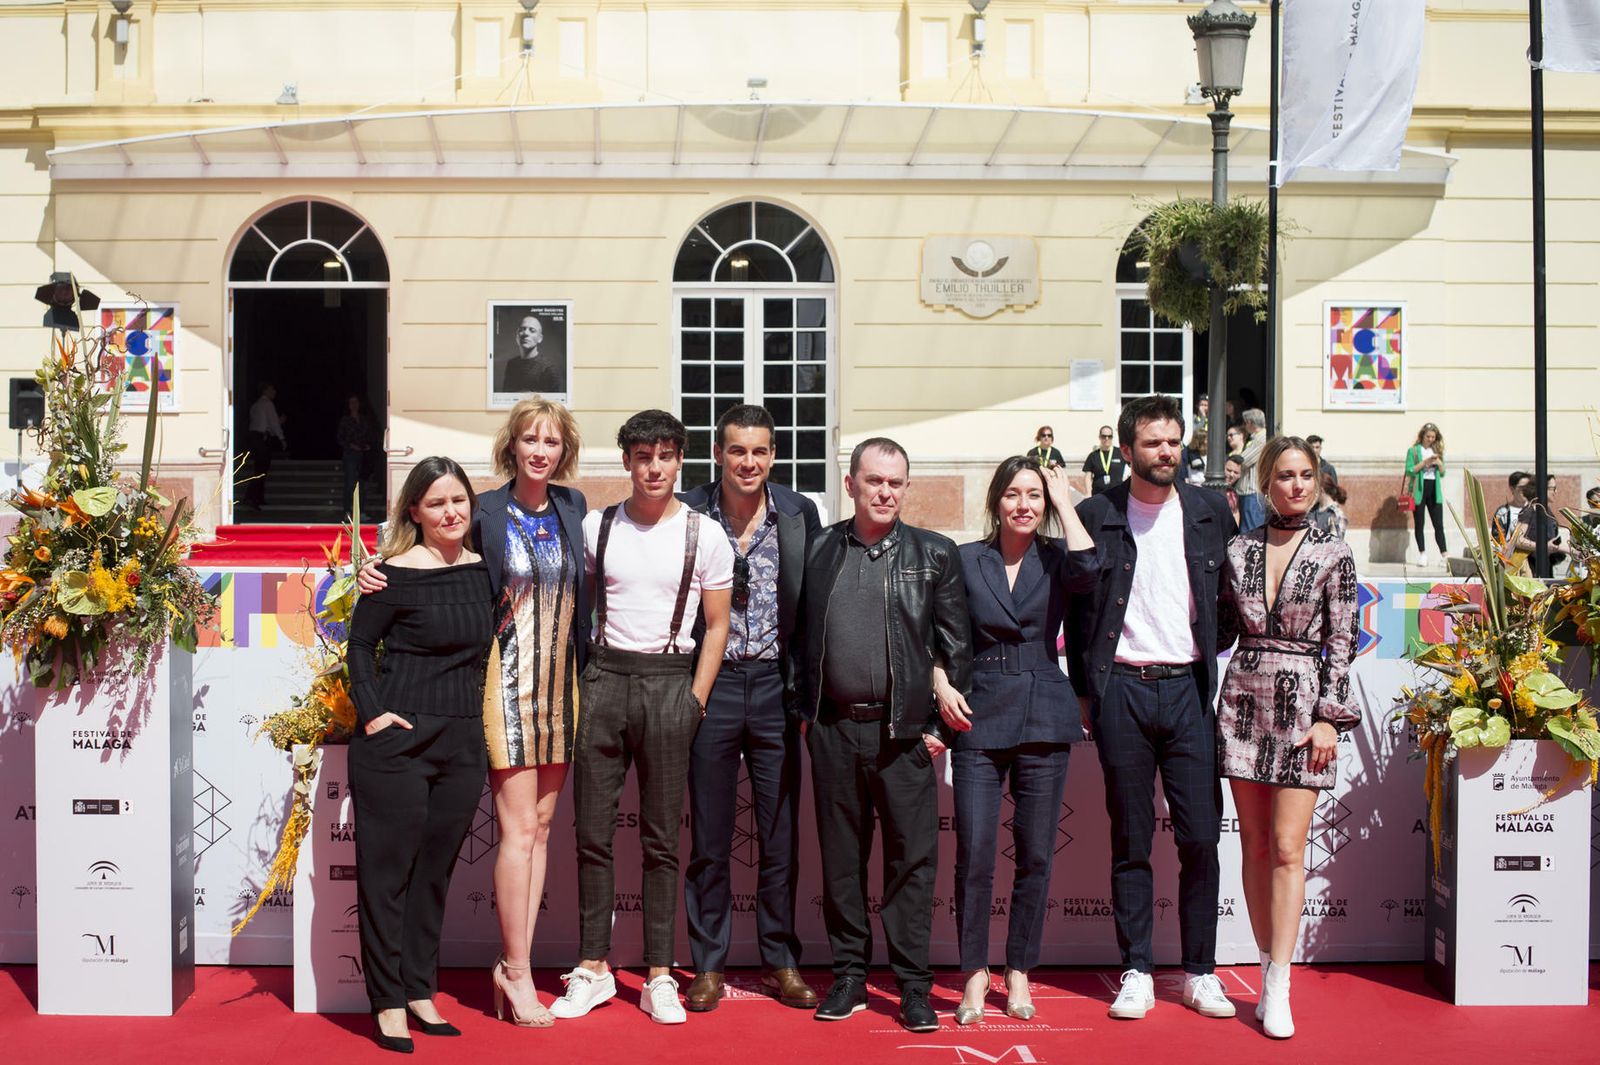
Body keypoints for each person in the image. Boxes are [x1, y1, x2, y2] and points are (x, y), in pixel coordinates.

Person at [357, 398, 592, 1029]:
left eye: (550, 440)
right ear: (510, 446)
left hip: (558, 687)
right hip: (502, 686)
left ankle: (503, 969)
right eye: (528, 439)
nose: (539, 450)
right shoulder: (483, 509)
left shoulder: (574, 506)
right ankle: (516, 973)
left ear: (563, 448)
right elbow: (425, 548)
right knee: (517, 833)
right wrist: (367, 572)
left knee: (540, 832)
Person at [1064, 394, 1237, 1023]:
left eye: (1174, 441)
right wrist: (1086, 690)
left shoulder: (1212, 510)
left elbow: (1234, 592)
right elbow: (1080, 609)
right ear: (1128, 448)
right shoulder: (1097, 512)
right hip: (1123, 693)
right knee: (1131, 838)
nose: (1167, 452)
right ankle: (1136, 969)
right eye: (1154, 443)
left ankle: (1200, 973)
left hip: (1190, 689)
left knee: (1199, 838)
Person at [557, 409, 733, 1026]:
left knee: (662, 842)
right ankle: (593, 968)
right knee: (591, 836)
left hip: (669, 684)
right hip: (603, 679)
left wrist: (695, 700)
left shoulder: (705, 534)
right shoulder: (594, 526)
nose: (653, 468)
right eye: (642, 456)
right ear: (626, 461)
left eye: (664, 455)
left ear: (681, 458)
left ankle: (660, 973)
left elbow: (717, 626)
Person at [799, 438, 971, 1033]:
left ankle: (914, 987)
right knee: (842, 863)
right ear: (850, 484)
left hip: (905, 737)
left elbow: (956, 649)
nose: (885, 492)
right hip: (834, 732)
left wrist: (936, 732)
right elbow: (800, 642)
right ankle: (848, 975)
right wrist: (808, 714)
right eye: (874, 481)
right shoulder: (819, 549)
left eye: (896, 483)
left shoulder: (935, 554)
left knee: (911, 865)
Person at [346, 457, 493, 1053]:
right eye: (435, 503)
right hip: (397, 745)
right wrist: (374, 712)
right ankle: (385, 1001)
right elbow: (359, 645)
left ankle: (418, 989)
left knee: (434, 875)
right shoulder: (390, 575)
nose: (450, 512)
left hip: (462, 744)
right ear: (414, 511)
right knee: (388, 878)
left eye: (458, 500)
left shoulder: (487, 572)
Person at [943, 457, 1097, 1025]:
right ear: (996, 501)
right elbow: (941, 630)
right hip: (979, 709)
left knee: (1034, 853)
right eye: (1014, 494)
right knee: (976, 853)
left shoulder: (1057, 557)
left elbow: (1089, 573)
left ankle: (1020, 970)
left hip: (1043, 710)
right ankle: (974, 975)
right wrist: (940, 681)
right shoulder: (965, 559)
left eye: (1034, 495)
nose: (1024, 504)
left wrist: (1065, 501)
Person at [1216, 436, 1360, 1039]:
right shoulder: (1239, 547)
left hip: (1305, 708)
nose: (1296, 485)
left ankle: (1280, 981)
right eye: (1284, 476)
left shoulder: (1335, 551)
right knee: (1251, 846)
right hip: (1246, 696)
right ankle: (1263, 960)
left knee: (1285, 847)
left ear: (1318, 481)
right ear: (1265, 482)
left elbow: (1343, 640)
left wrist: (1330, 715)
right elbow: (1220, 623)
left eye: (1306, 475)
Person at [680, 405, 821, 1014]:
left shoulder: (797, 512)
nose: (749, 462)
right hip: (708, 686)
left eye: (760, 451)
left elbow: (812, 610)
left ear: (773, 456)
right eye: (738, 450)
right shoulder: (688, 511)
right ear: (718, 453)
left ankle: (780, 960)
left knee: (779, 833)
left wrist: (808, 691)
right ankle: (708, 964)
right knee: (710, 836)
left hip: (773, 688)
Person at [1403, 422, 1448, 565]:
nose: (1430, 439)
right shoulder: (1414, 451)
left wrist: (1438, 463)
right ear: (1422, 436)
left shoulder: (1436, 451)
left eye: (1433, 437)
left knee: (1438, 524)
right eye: (1428, 436)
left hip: (1434, 489)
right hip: (1419, 490)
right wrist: (1424, 463)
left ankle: (1444, 554)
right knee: (1419, 523)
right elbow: (1409, 470)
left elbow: (1442, 473)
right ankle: (1422, 554)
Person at [245, 382, 287, 508]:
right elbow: (273, 423)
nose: (274, 392)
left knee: (259, 468)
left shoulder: (255, 405)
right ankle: (253, 497)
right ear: (266, 391)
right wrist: (282, 438)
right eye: (272, 389)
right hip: (261, 439)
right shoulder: (267, 404)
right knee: (262, 469)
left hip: (254, 438)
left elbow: (264, 423)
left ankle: (256, 497)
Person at [501, 312, 563, 395]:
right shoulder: (512, 364)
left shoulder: (548, 368)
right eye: (522, 329)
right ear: (517, 336)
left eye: (532, 330)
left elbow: (553, 404)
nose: (526, 333)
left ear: (540, 338)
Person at [337, 394, 374, 515]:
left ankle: (361, 512)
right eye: (351, 402)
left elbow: (369, 436)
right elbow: (340, 438)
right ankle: (347, 510)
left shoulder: (364, 420)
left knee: (362, 484)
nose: (354, 405)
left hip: (363, 455)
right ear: (348, 405)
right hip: (350, 455)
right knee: (350, 482)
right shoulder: (345, 420)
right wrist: (351, 445)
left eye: (356, 402)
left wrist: (368, 445)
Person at [1235, 409, 1267, 534]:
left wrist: (1234, 457)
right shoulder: (1256, 439)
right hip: (1249, 492)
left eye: (1245, 423)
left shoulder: (1261, 439)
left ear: (1250, 422)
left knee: (1251, 533)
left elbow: (1243, 461)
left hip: (1252, 491)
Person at [1081, 425, 1127, 497]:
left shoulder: (1120, 453)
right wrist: (1088, 493)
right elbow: (1088, 476)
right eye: (1104, 436)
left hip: (1117, 495)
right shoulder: (1093, 456)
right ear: (1099, 437)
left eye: (1109, 436)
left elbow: (1132, 467)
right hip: (1098, 495)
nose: (1106, 439)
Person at [1493, 471, 1533, 546]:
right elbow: (1497, 539)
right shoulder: (1503, 512)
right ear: (1512, 489)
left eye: (1528, 487)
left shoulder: (1534, 509)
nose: (1525, 490)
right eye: (1521, 487)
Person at [1308, 475, 1348, 540]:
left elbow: (1335, 545)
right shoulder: (1311, 511)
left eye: (1313, 490)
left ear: (1321, 490)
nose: (1311, 493)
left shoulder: (1336, 515)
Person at [1223, 455, 1244, 529]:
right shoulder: (1210, 488)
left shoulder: (1234, 494)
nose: (1231, 475)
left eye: (1236, 472)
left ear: (1240, 475)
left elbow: (1235, 513)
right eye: (1228, 470)